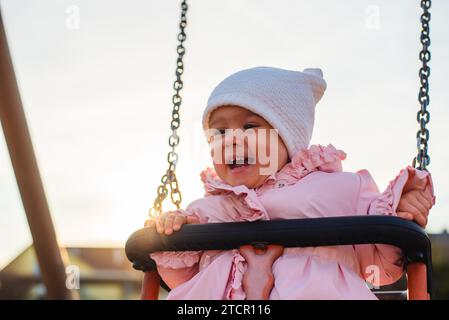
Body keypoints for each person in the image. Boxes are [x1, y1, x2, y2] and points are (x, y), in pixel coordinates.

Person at [145, 67, 435, 299]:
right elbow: (181, 281)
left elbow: (380, 265)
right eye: (219, 131)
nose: (231, 139)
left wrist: (402, 210)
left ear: (288, 139)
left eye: (249, 127)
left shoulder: (338, 191)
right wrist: (171, 233)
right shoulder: (206, 210)